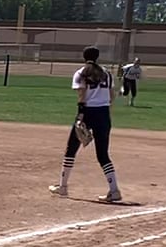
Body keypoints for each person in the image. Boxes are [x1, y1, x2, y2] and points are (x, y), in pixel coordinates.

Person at [52, 46, 123, 203]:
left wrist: (81, 115)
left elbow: (82, 95)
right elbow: (111, 96)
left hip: (87, 113)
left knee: (71, 149)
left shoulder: (81, 72)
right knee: (103, 154)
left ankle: (63, 187)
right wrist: (105, 113)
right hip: (103, 113)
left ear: (84, 57)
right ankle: (114, 191)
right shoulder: (107, 74)